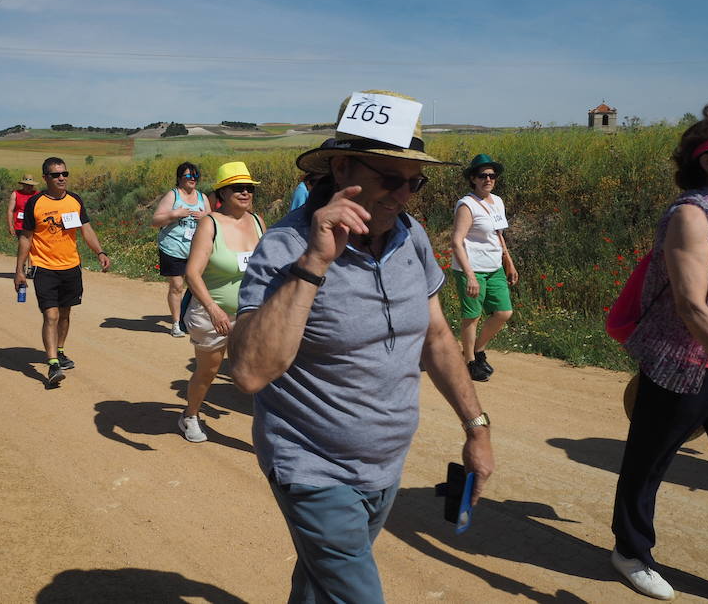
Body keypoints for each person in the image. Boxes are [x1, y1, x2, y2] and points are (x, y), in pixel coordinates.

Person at [228, 90, 494, 603]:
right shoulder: (285, 247)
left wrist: (476, 427)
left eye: (414, 182)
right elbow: (249, 373)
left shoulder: (409, 237)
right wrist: (316, 263)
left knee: (319, 584)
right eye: (389, 178)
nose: (403, 195)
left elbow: (436, 337)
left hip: (384, 465)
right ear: (343, 167)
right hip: (312, 466)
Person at [612, 101, 708, 602]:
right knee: (648, 463)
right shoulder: (692, 216)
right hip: (687, 364)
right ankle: (630, 551)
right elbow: (692, 306)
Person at [178, 161, 265, 442]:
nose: (245, 192)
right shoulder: (210, 223)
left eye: (248, 188)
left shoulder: (258, 221)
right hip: (212, 314)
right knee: (208, 371)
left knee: (258, 369)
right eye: (237, 188)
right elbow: (192, 273)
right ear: (223, 193)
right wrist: (213, 309)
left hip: (251, 314)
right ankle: (190, 415)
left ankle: (273, 425)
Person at [14, 158, 111, 387]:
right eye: (56, 174)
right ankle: (53, 363)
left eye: (65, 173)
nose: (62, 178)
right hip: (44, 267)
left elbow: (86, 229)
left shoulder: (74, 200)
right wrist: (19, 270)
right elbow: (26, 237)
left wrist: (100, 252)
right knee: (51, 315)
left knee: (65, 314)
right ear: (46, 177)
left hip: (71, 267)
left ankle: (60, 350)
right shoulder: (35, 203)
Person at [450, 154, 518, 382]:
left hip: (494, 266)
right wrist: (470, 275)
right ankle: (469, 362)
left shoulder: (497, 201)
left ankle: (477, 351)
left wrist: (508, 261)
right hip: (472, 268)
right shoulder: (466, 205)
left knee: (503, 312)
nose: (488, 179)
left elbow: (499, 234)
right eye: (483, 175)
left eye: (492, 175)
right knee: (472, 316)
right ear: (473, 179)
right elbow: (456, 241)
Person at [152, 162, 211, 337]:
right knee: (177, 285)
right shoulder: (173, 196)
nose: (192, 179)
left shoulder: (202, 197)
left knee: (197, 285)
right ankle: (176, 323)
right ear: (179, 178)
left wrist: (205, 216)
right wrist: (174, 214)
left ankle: (194, 318)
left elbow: (214, 220)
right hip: (173, 247)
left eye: (195, 176)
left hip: (196, 250)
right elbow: (155, 221)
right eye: (188, 176)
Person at [7, 174, 38, 277]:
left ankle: (31, 268)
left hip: (34, 225)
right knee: (24, 246)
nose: (29, 187)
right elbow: (10, 211)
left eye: (30, 185)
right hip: (20, 225)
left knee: (33, 247)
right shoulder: (16, 194)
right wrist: (11, 225)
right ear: (23, 185)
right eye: (26, 185)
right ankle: (22, 267)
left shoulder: (37, 194)